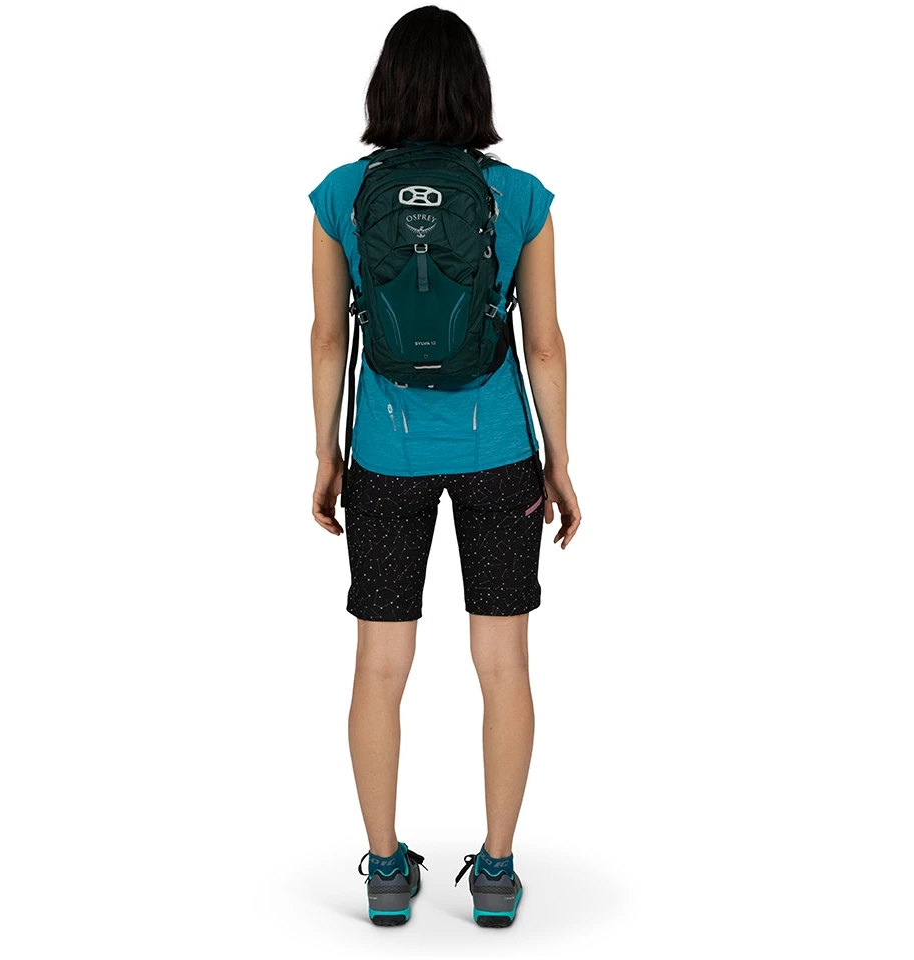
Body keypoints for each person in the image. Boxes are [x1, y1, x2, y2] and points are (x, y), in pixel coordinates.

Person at [308, 5, 580, 928]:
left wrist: (326, 454)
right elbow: (544, 345)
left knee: (381, 665)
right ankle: (496, 873)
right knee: (502, 664)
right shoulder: (522, 198)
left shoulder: (342, 196)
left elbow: (326, 337)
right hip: (499, 454)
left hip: (383, 458)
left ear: (384, 88)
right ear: (476, 91)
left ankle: (386, 872)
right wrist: (560, 462)